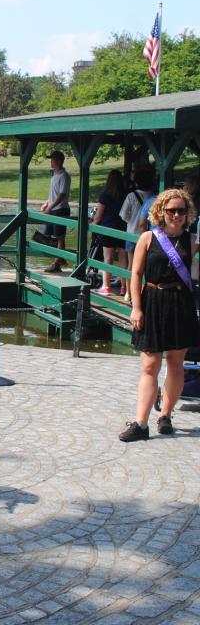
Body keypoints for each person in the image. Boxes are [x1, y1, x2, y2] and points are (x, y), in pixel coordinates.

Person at [119, 189, 200, 442]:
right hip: (153, 301)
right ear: (161, 212)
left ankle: (166, 415)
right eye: (171, 210)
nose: (176, 215)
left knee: (176, 364)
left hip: (180, 304)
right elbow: (136, 273)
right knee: (149, 365)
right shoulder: (147, 238)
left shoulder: (192, 241)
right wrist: (136, 306)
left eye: (181, 211)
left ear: (188, 214)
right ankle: (141, 423)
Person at [120, 168, 155, 301]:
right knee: (145, 266)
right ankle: (142, 293)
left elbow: (123, 215)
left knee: (132, 265)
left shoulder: (131, 196)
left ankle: (129, 293)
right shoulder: (154, 196)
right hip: (149, 236)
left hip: (132, 235)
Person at [93, 169, 128, 296]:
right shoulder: (126, 194)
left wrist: (93, 225)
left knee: (108, 258)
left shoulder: (105, 195)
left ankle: (106, 286)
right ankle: (124, 287)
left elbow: (98, 216)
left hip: (108, 229)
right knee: (124, 259)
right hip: (123, 229)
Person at [40, 150, 71, 273]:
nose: (50, 161)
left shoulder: (64, 175)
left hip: (60, 210)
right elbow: (54, 194)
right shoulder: (54, 174)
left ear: (58, 161)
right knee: (46, 236)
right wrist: (46, 203)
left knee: (59, 237)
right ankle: (60, 258)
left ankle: (57, 262)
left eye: (52, 159)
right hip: (53, 208)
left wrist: (50, 207)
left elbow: (62, 195)